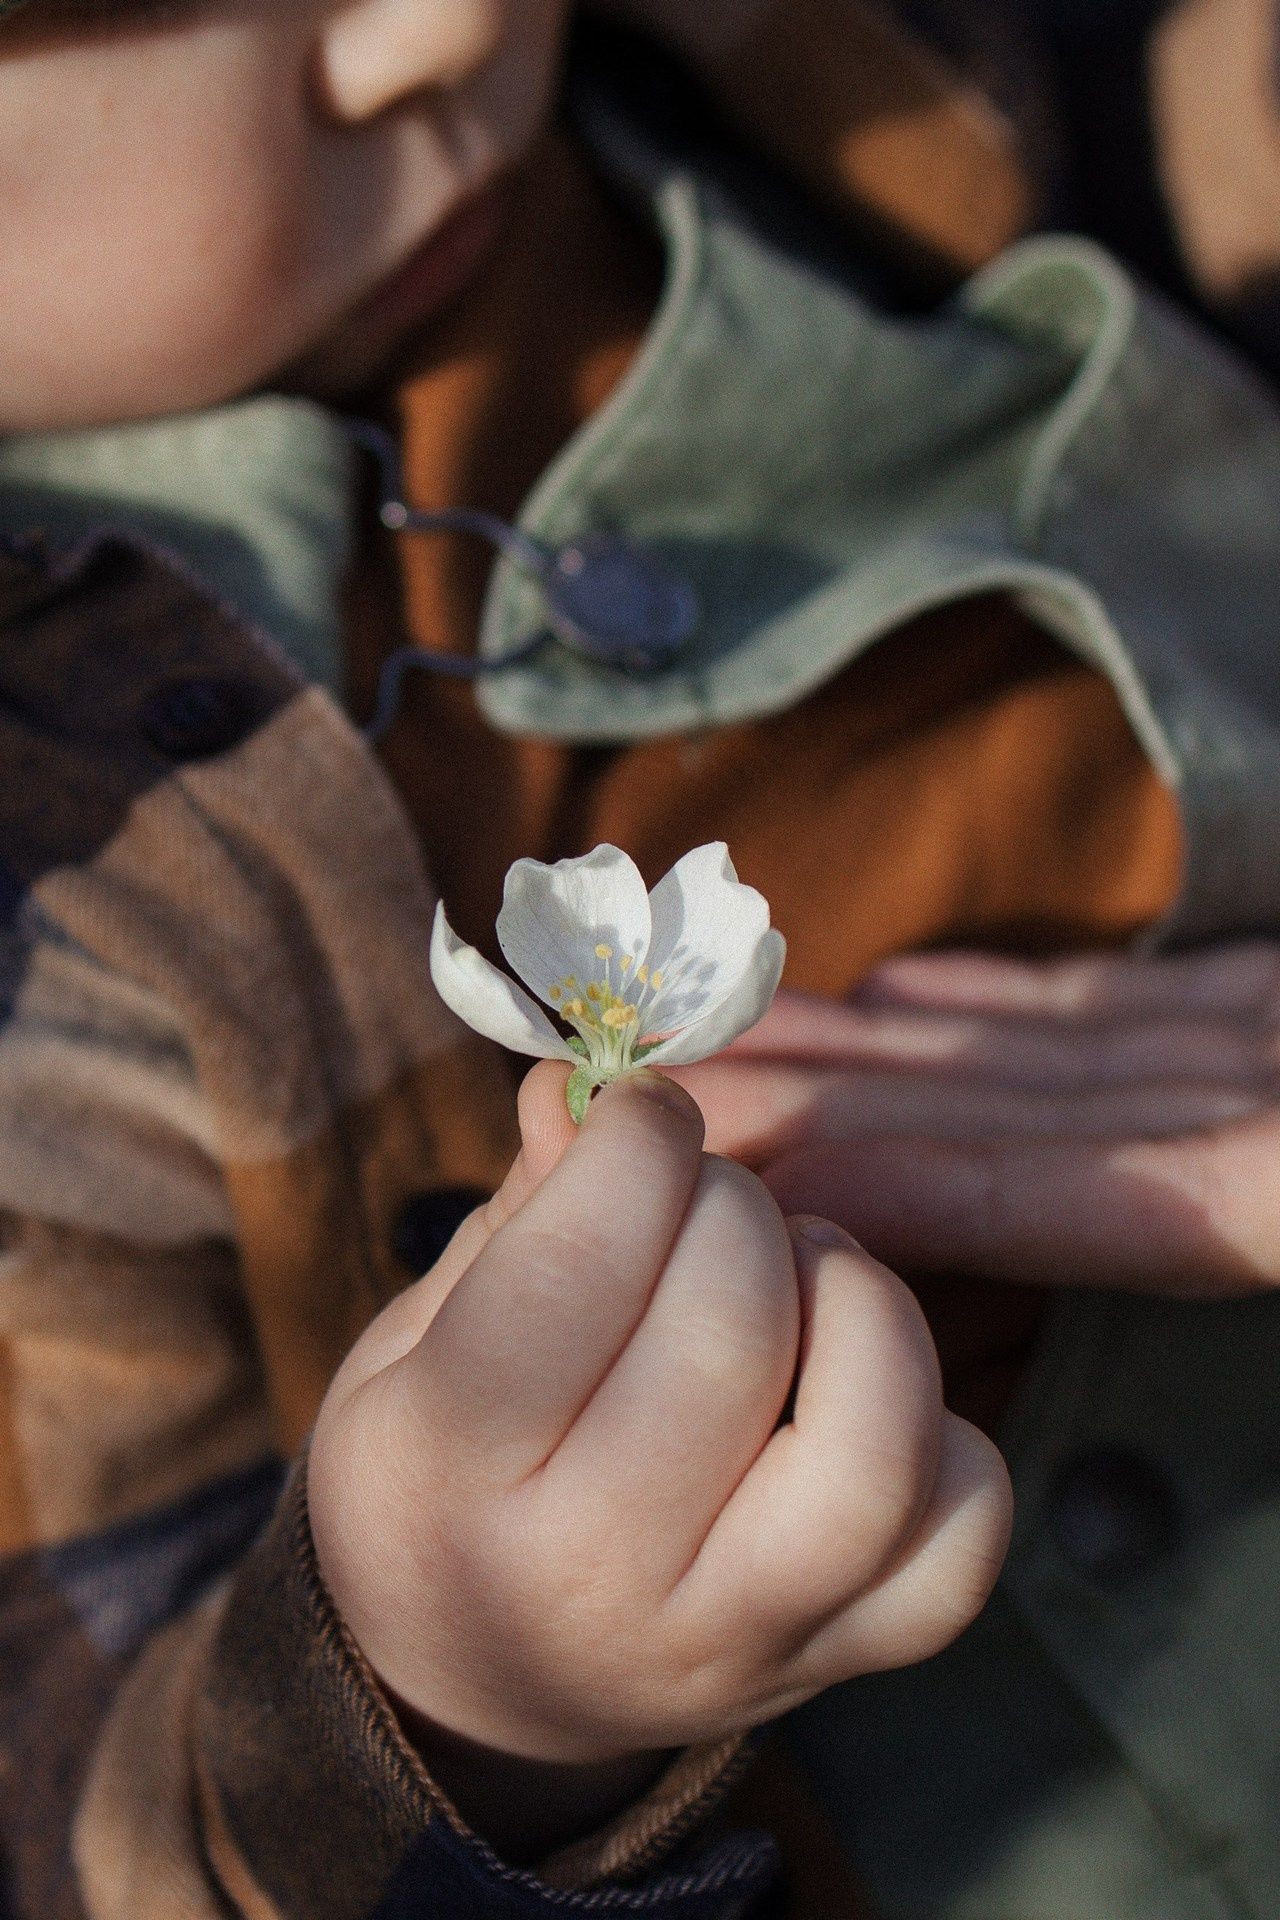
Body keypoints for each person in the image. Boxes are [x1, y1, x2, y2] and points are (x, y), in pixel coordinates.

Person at [0, 2, 1277, 1918]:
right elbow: (79, 1813)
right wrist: (468, 1710)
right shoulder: (50, 923)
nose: (440, 27)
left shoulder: (819, 89)